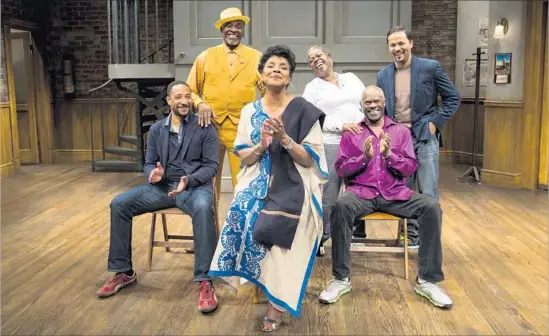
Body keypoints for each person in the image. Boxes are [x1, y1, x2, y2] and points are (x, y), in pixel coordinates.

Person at [208, 45, 328, 332]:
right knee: (241, 213)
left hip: (294, 181)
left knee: (283, 227)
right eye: (270, 66)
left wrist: (285, 139)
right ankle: (264, 283)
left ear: (289, 78)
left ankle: (276, 304)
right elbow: (243, 156)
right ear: (261, 75)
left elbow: (310, 159)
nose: (276, 69)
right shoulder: (250, 111)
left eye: (283, 67)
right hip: (256, 179)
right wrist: (261, 145)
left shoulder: (303, 110)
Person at [319, 85, 453, 310]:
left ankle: (427, 281)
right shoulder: (353, 133)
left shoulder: (400, 131)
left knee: (431, 207)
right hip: (362, 193)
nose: (372, 105)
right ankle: (341, 278)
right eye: (368, 102)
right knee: (340, 206)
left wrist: (389, 156)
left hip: (395, 193)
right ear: (362, 105)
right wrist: (365, 157)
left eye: (376, 101)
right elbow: (341, 170)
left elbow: (410, 167)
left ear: (384, 103)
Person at [96, 81, 221, 314]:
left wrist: (189, 181)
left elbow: (211, 165)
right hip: (162, 188)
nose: (183, 101)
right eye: (178, 97)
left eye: (187, 96)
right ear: (169, 101)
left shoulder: (205, 127)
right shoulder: (156, 129)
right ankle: (124, 272)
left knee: (204, 209)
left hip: (193, 188)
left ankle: (205, 280)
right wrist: (152, 174)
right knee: (119, 203)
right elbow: (148, 163)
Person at [375, 26, 460, 247]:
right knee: (404, 190)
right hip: (397, 142)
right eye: (392, 45)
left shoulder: (430, 68)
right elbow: (383, 109)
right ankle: (410, 236)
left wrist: (435, 123)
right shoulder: (383, 75)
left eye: (401, 43)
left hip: (424, 137)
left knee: (428, 190)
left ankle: (430, 242)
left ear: (411, 43)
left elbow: (453, 98)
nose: (397, 48)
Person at [186, 7, 263, 201]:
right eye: (229, 25)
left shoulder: (256, 58)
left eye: (238, 26)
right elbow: (189, 91)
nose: (234, 30)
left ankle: (240, 229)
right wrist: (200, 103)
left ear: (243, 31)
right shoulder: (205, 57)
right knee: (209, 183)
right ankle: (210, 229)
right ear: (221, 30)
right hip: (210, 128)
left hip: (241, 129)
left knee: (243, 182)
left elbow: (268, 91)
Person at [302, 45, 365, 256]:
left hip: (360, 142)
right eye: (311, 60)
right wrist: (341, 125)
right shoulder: (312, 88)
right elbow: (311, 118)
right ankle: (321, 237)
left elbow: (367, 103)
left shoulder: (351, 78)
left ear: (329, 57)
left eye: (318, 56)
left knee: (359, 190)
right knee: (329, 194)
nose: (316, 61)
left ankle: (357, 234)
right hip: (331, 142)